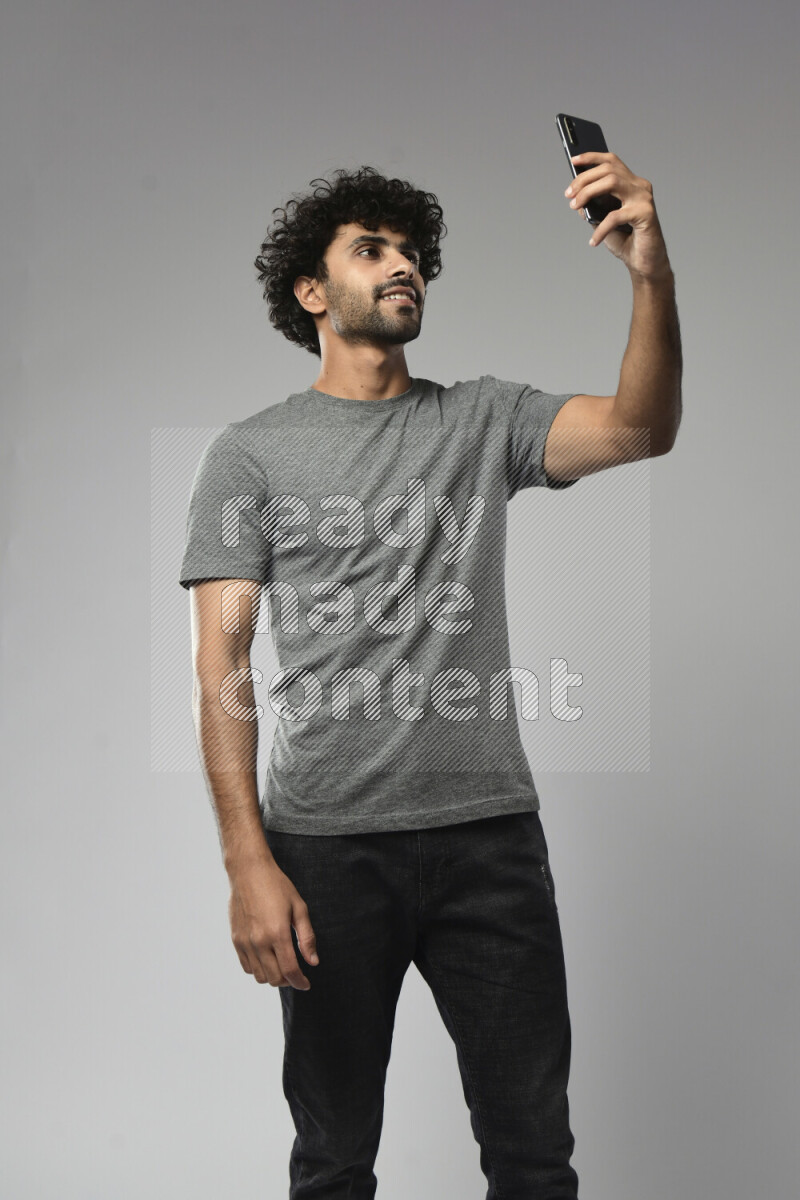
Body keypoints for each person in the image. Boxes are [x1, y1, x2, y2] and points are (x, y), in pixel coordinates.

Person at [178, 160, 681, 1199]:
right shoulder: (251, 456)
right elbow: (219, 666)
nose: (401, 265)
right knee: (332, 1162)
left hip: (487, 843)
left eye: (410, 254)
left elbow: (641, 428)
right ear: (311, 292)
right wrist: (247, 863)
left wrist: (647, 274)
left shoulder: (482, 418)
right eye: (371, 250)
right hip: (324, 853)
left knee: (532, 1155)